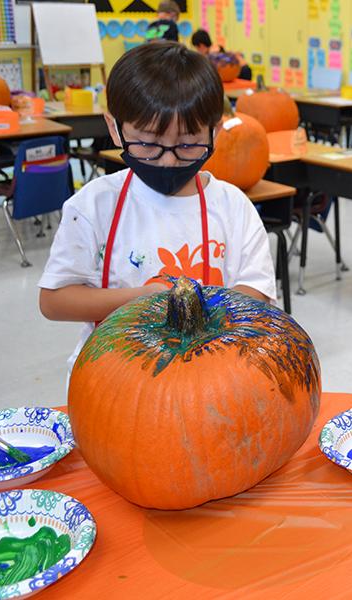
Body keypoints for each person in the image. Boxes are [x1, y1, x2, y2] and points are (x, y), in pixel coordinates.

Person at [38, 42, 276, 375]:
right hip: (113, 374)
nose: (167, 160)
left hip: (214, 375)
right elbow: (54, 300)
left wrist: (198, 309)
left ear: (215, 132)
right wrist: (144, 298)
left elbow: (257, 293)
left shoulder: (233, 207)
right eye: (148, 143)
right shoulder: (93, 205)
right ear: (114, 128)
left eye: (188, 144)